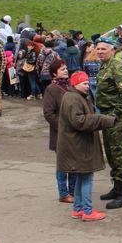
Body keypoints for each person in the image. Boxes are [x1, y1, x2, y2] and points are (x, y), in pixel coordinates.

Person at [57, 71, 117, 222]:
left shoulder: (76, 96)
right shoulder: (73, 98)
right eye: (84, 83)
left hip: (77, 145)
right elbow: (79, 121)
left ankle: (78, 209)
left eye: (88, 83)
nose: (87, 86)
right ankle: (88, 211)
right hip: (79, 147)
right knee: (87, 177)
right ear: (75, 84)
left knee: (81, 177)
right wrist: (103, 120)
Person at [94, 37, 122, 209]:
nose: (100, 51)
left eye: (103, 49)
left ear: (112, 50)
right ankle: (117, 188)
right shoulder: (104, 66)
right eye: (98, 49)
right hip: (105, 116)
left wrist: (117, 114)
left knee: (119, 153)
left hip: (115, 117)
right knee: (110, 152)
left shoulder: (115, 66)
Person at [43, 59, 73, 203]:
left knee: (74, 163)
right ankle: (63, 193)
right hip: (60, 134)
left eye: (66, 68)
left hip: (74, 132)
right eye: (62, 69)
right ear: (54, 73)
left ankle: (73, 190)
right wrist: (62, 127)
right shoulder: (51, 89)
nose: (66, 71)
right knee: (63, 165)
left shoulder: (70, 85)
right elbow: (49, 113)